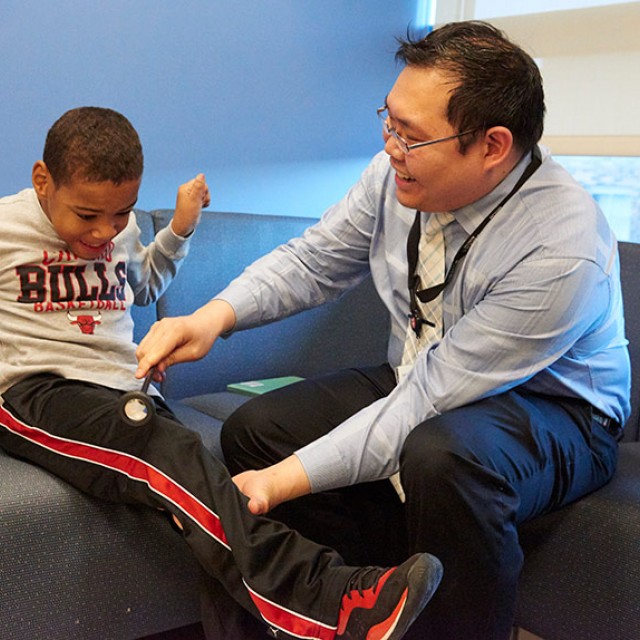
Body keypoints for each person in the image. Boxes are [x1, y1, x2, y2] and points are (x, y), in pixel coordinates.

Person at [136, 21, 630, 640]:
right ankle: (353, 605)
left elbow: (427, 405)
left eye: (412, 135)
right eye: (389, 120)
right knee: (258, 431)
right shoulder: (395, 175)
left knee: (442, 455)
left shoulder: (562, 246)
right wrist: (211, 318)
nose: (391, 145)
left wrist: (272, 486)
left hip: (557, 411)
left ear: (492, 146)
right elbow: (314, 260)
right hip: (424, 370)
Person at [0, 106, 445, 640]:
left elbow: (143, 286)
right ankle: (324, 596)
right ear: (41, 180)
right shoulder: (6, 229)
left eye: (122, 214)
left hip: (123, 389)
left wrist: (180, 229)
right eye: (87, 215)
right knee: (162, 446)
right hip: (38, 391)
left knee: (210, 505)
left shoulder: (115, 233)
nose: (104, 231)